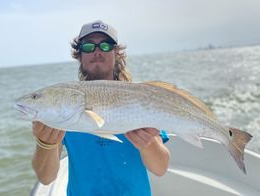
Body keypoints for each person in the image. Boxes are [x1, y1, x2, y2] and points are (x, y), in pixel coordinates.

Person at [32, 20, 170, 195]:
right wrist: (45, 144)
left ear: (116, 53)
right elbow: (46, 178)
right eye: (88, 46)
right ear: (79, 55)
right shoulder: (65, 103)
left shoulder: (139, 98)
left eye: (105, 46)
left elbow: (161, 168)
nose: (97, 51)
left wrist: (148, 143)